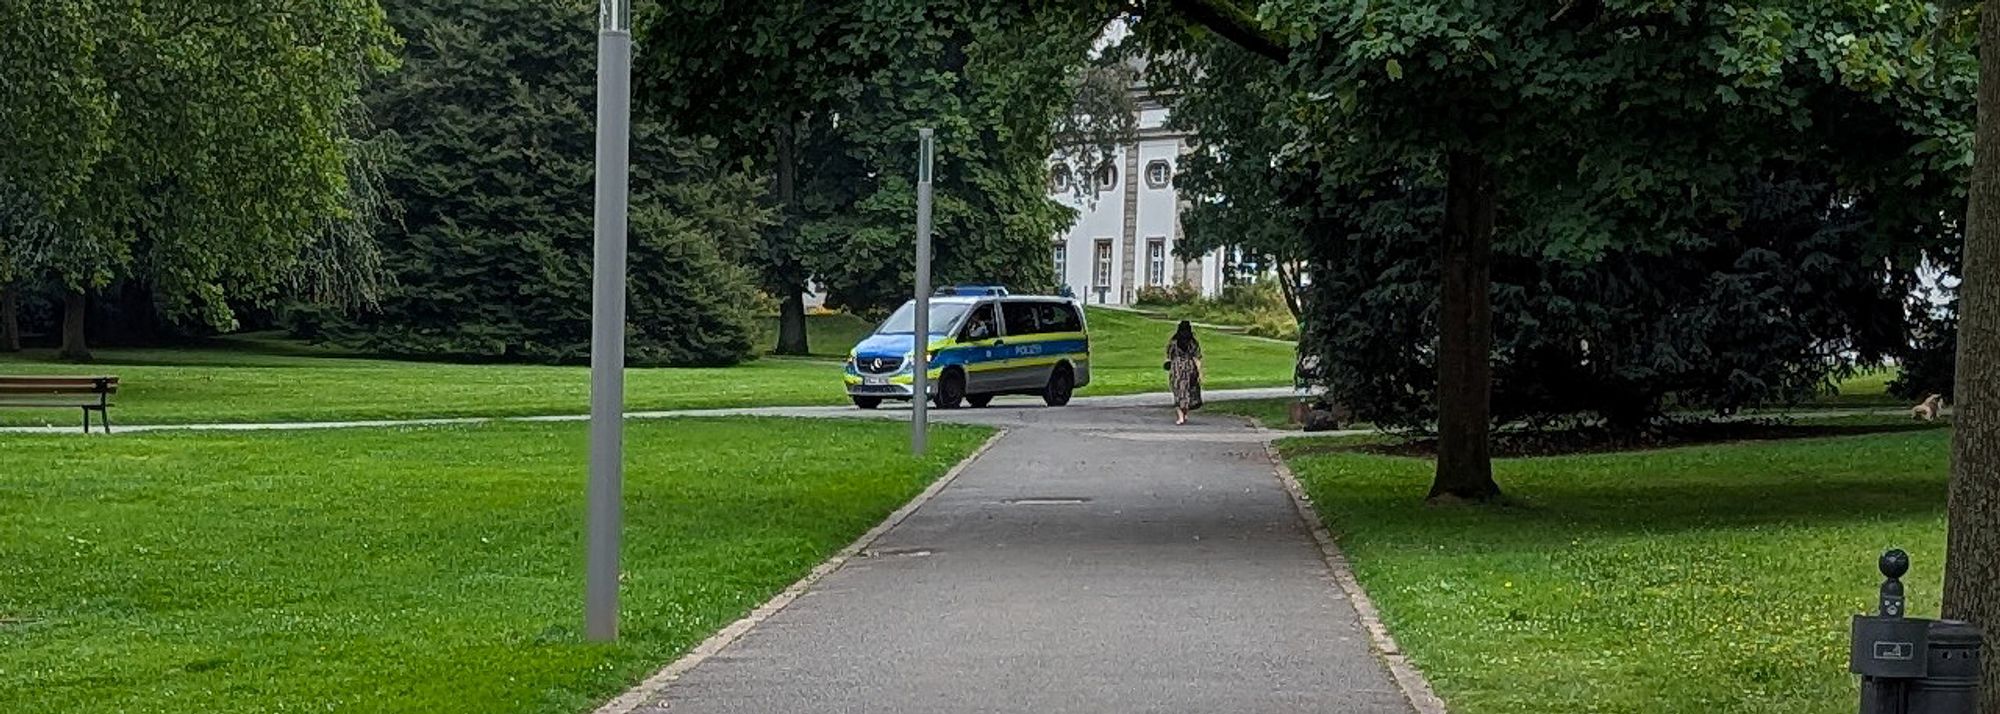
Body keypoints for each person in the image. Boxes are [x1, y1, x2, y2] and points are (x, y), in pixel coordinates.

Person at [1166, 320, 1203, 425]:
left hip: (1177, 368)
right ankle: (1185, 413)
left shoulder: (1173, 342)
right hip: (1189, 366)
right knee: (1188, 391)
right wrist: (1199, 372)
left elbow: (1169, 355)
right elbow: (1197, 358)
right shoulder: (1193, 343)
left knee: (1178, 391)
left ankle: (1180, 416)